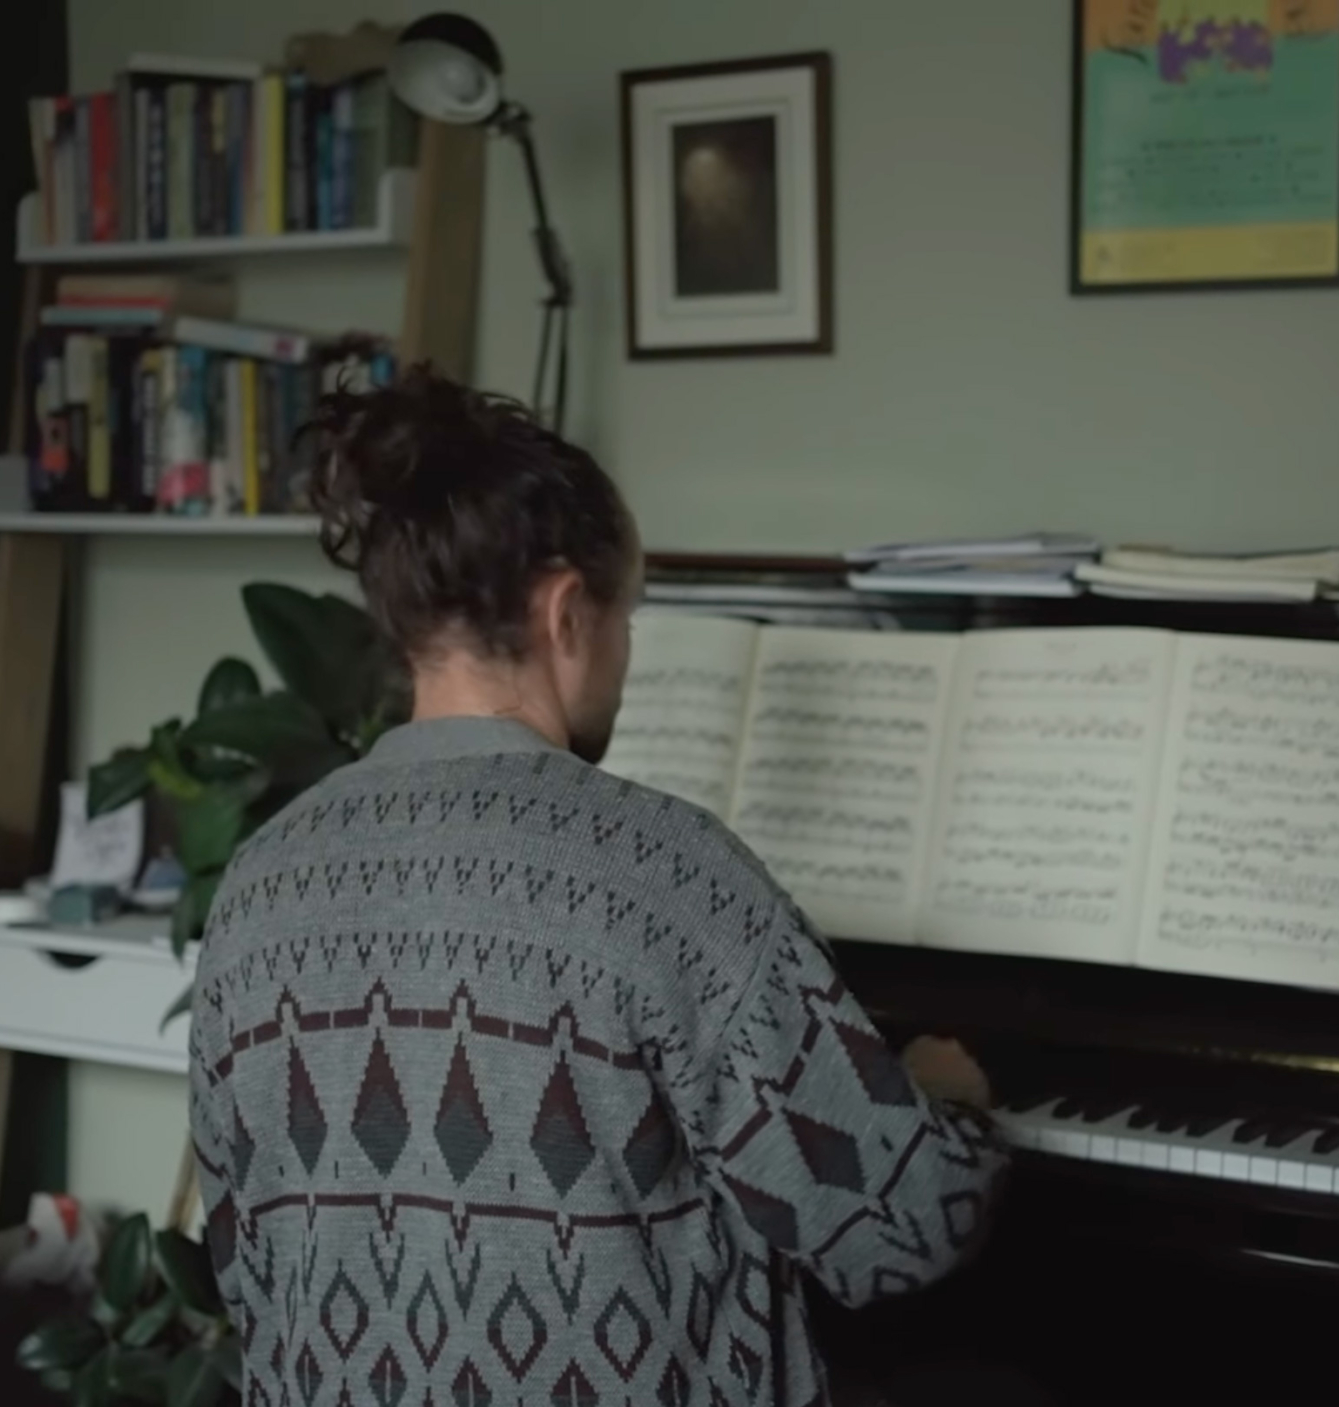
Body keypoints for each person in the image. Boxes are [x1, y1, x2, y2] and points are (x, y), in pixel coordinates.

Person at [188, 369, 1009, 1407]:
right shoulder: (669, 872)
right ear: (566, 611)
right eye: (628, 613)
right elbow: (896, 1232)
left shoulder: (259, 878)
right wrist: (946, 1101)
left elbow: (244, 1263)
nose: (624, 649)